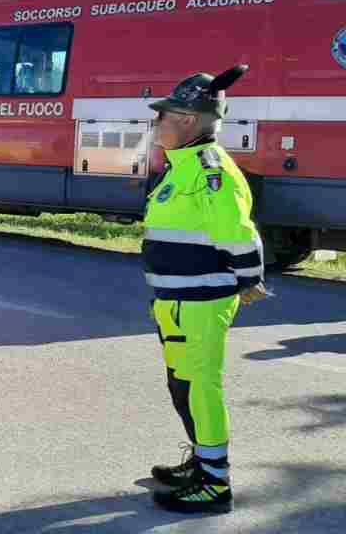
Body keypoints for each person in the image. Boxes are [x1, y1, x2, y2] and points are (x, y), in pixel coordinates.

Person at [142, 65, 264, 514]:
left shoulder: (211, 171)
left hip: (200, 300)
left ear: (189, 120)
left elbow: (238, 233)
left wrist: (250, 280)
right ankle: (202, 460)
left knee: (201, 386)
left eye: (164, 116)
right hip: (175, 301)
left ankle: (215, 482)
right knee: (182, 383)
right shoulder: (183, 165)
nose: (157, 125)